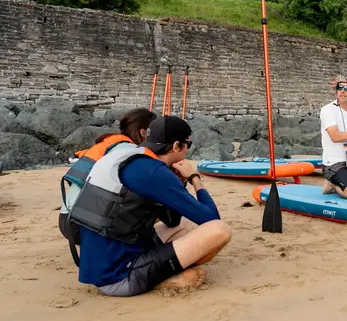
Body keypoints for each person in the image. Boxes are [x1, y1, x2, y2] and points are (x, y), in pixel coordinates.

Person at [68, 115, 232, 297]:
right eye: (188, 145)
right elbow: (211, 219)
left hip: (102, 265)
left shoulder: (128, 158)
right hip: (119, 277)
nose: (187, 151)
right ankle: (165, 278)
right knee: (220, 231)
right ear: (176, 146)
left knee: (185, 225)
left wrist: (178, 183)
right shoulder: (154, 172)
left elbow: (172, 220)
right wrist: (194, 178)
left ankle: (164, 269)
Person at [59, 108, 157, 251]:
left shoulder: (109, 145)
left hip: (66, 219)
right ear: (143, 132)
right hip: (83, 225)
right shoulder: (131, 152)